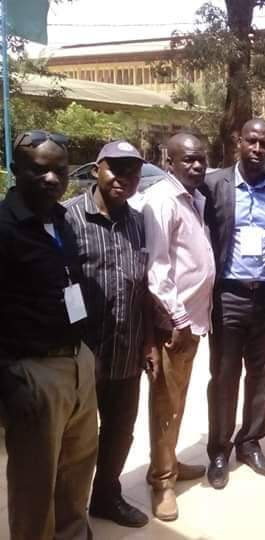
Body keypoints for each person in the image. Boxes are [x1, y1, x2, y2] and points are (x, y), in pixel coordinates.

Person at [0, 130, 97, 539]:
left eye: (60, 170)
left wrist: (87, 357)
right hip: (33, 371)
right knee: (35, 486)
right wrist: (9, 384)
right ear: (16, 170)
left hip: (76, 362)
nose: (53, 179)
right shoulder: (5, 228)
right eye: (40, 170)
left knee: (77, 468)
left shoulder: (61, 219)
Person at [64, 140, 151, 528]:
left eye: (132, 171)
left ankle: (106, 496)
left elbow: (144, 287)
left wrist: (148, 342)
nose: (123, 178)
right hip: (83, 356)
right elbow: (59, 288)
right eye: (115, 168)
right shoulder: (68, 219)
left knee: (120, 432)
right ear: (97, 168)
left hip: (127, 351)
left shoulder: (138, 222)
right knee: (76, 441)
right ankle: (69, 514)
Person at [203, 119, 265, 489]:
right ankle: (219, 450)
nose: (258, 149)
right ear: (239, 142)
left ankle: (249, 442)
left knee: (262, 376)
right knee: (224, 376)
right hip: (228, 296)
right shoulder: (214, 185)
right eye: (252, 141)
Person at [142, 133, 216, 521]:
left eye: (201, 159)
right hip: (174, 324)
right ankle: (162, 483)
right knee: (165, 405)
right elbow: (157, 269)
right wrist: (179, 319)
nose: (197, 165)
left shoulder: (192, 198)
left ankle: (168, 462)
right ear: (168, 162)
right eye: (188, 159)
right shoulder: (162, 200)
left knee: (178, 399)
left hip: (192, 320)